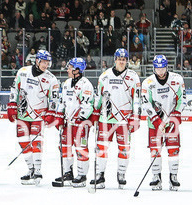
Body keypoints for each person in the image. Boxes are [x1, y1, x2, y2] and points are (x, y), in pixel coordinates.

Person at [7, 48, 59, 185]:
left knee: (36, 142)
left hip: (38, 116)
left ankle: (38, 170)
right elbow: (14, 89)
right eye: (44, 62)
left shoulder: (51, 79)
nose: (46, 65)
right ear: (37, 60)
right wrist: (12, 104)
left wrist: (51, 113)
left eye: (48, 62)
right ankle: (30, 169)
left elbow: (54, 100)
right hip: (23, 114)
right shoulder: (22, 72)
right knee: (23, 141)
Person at [91, 48, 141, 189]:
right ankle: (100, 175)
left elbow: (136, 99)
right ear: (115, 59)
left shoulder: (133, 77)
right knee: (101, 148)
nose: (121, 61)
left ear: (127, 61)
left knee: (124, 149)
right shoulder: (105, 76)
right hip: (106, 118)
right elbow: (99, 96)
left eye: (124, 59)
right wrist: (95, 111)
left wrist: (135, 117)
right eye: (119, 59)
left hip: (124, 119)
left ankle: (121, 174)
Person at [140, 54, 184, 190]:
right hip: (154, 123)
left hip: (171, 122)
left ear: (166, 67)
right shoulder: (147, 82)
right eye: (158, 68)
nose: (160, 71)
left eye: (162, 68)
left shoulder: (176, 79)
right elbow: (145, 104)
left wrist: (175, 116)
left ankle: (173, 176)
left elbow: (182, 99)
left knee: (173, 150)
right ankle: (156, 176)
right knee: (155, 150)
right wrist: (157, 120)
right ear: (154, 68)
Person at [53, 57, 95, 188]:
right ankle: (68, 173)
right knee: (64, 146)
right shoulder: (66, 83)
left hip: (80, 123)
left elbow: (88, 104)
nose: (68, 69)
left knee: (81, 148)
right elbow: (62, 102)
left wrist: (81, 119)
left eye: (71, 67)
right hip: (68, 122)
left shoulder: (85, 84)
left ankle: (82, 175)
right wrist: (59, 116)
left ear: (78, 70)